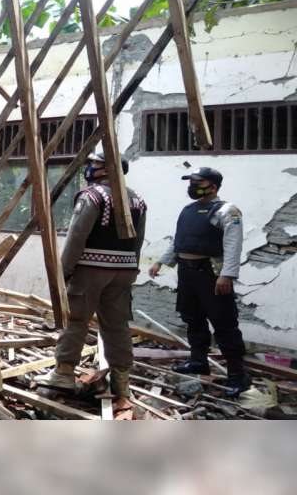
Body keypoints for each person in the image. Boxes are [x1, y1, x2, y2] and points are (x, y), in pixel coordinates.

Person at [36, 152, 146, 409]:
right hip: (125, 270)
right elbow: (138, 240)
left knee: (75, 320)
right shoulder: (138, 200)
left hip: (90, 269)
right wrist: (131, 268)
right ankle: (121, 381)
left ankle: (63, 373)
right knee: (117, 324)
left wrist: (63, 272)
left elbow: (77, 237)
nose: (90, 168)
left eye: (94, 164)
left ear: (107, 169)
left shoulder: (93, 196)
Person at [149, 167, 250, 396]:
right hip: (186, 272)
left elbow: (233, 245)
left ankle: (237, 375)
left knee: (224, 323)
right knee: (192, 317)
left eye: (198, 182)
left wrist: (227, 274)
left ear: (213, 186)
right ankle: (198, 361)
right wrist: (161, 262)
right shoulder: (188, 210)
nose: (192, 186)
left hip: (211, 274)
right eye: (191, 182)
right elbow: (179, 241)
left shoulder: (227, 211)